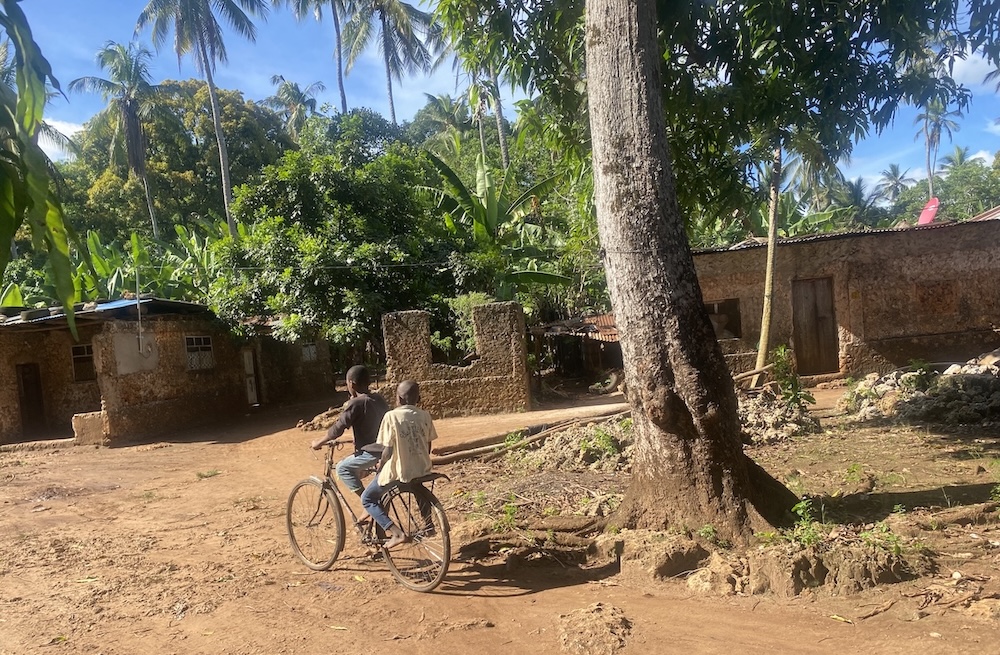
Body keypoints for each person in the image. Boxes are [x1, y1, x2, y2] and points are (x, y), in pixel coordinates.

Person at [361, 380, 437, 549]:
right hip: (422, 468)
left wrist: (380, 468)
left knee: (367, 498)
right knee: (418, 487)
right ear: (418, 398)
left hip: (399, 471)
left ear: (400, 399)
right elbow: (428, 445)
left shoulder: (392, 416)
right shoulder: (425, 415)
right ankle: (429, 523)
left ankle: (396, 533)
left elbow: (387, 451)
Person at [311, 365, 389, 497]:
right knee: (360, 470)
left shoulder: (356, 403)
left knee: (342, 468)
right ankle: (373, 500)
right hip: (386, 448)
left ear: (351, 384)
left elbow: (338, 428)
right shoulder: (378, 398)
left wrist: (318, 442)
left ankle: (368, 501)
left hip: (372, 452)